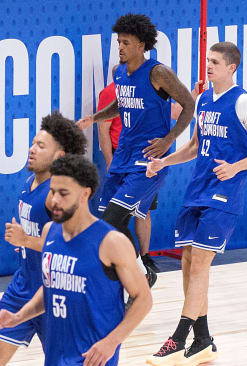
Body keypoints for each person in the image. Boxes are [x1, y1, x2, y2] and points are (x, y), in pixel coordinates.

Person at [145, 42, 247, 366]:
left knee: (201, 263)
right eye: (207, 60)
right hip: (197, 190)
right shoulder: (203, 99)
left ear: (232, 67)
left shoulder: (245, 102)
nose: (209, 66)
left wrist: (236, 167)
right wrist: (165, 161)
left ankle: (178, 337)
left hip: (224, 194)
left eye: (215, 62)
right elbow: (193, 146)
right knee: (188, 263)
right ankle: (202, 341)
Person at [0, 154, 152, 366]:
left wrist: (112, 342)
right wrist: (18, 316)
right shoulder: (49, 232)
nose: (54, 200)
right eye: (53, 192)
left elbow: (143, 298)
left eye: (63, 193)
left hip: (91, 363)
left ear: (84, 194)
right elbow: (51, 289)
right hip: (57, 360)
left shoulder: (112, 242)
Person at [0, 111, 86, 366]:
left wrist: (25, 240)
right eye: (33, 143)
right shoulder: (30, 182)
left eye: (41, 146)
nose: (32, 149)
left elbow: (71, 246)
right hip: (23, 286)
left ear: (60, 156)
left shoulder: (58, 194)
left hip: (55, 295)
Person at [77, 14, 196, 290]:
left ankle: (131, 277)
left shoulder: (158, 73)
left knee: (111, 220)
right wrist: (94, 118)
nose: (120, 47)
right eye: (118, 41)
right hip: (122, 158)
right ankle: (144, 273)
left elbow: (188, 105)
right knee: (109, 225)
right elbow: (122, 103)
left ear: (141, 45)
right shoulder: (120, 72)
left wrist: (169, 139)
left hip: (147, 161)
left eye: (126, 42)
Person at [96, 63, 160, 275]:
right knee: (116, 213)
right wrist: (110, 162)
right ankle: (124, 261)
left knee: (143, 210)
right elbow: (103, 131)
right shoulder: (108, 93)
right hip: (121, 157)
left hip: (144, 158)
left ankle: (145, 257)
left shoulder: (146, 92)